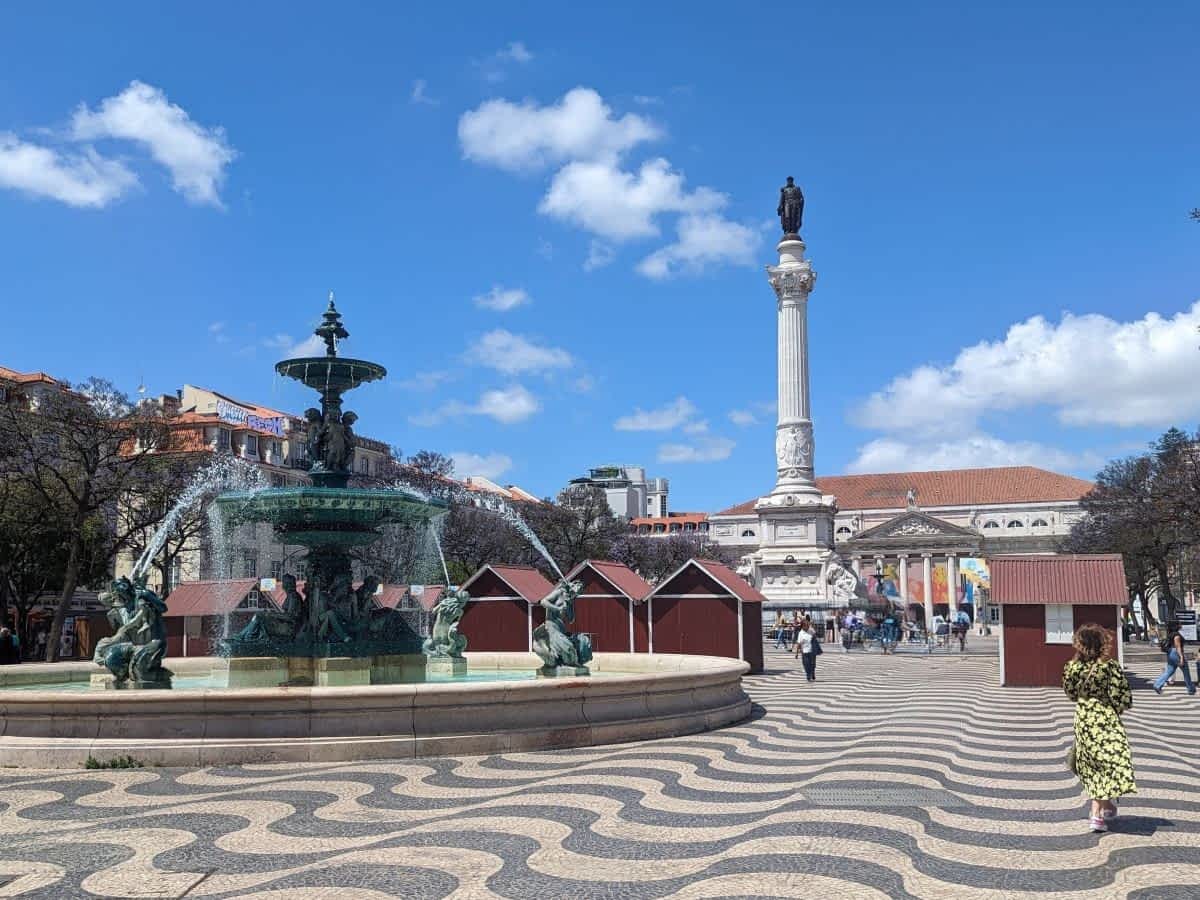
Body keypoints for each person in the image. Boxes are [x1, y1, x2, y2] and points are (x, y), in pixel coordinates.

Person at [1063, 623, 1136, 833]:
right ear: (1103, 643)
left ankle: (1107, 806)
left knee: (1093, 764)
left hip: (1084, 717)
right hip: (1105, 718)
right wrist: (1115, 707)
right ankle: (1096, 814)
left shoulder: (1072, 667)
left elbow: (1070, 693)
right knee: (1111, 761)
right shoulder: (1109, 666)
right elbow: (1122, 697)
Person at [1153, 623, 1195, 695]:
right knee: (1186, 672)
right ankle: (1190, 689)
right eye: (1179, 624)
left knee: (1169, 671)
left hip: (1170, 653)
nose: (1181, 625)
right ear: (1176, 626)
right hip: (1176, 653)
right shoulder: (1176, 636)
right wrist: (1181, 657)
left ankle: (1157, 685)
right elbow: (1178, 647)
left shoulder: (1171, 634)